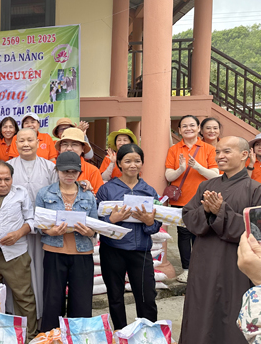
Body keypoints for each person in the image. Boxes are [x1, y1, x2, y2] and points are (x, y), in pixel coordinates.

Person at [180, 136, 261, 344]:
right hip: (204, 258)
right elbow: (188, 216)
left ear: (245, 155)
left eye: (227, 151)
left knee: (233, 312)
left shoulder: (255, 189)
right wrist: (207, 211)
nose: (220, 156)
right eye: (217, 152)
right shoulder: (206, 185)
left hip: (237, 262)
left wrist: (221, 211)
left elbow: (256, 231)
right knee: (201, 307)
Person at [96, 144, 160, 330]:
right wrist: (111, 220)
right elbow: (97, 221)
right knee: (115, 296)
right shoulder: (107, 190)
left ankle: (147, 335)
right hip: (112, 250)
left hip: (141, 250)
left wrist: (149, 222)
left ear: (142, 163)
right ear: (119, 164)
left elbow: (156, 224)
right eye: (128, 161)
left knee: (147, 296)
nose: (133, 165)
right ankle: (120, 333)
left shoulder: (149, 191)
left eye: (137, 161)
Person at [36, 151, 97, 331]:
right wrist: (50, 231)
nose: (69, 175)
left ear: (79, 172)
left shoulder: (88, 195)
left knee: (81, 301)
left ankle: (78, 340)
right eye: (65, 171)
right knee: (52, 300)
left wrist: (89, 232)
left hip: (82, 252)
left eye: (73, 172)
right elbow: (38, 224)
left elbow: (95, 225)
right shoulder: (44, 193)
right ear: (57, 171)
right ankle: (51, 339)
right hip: (54, 251)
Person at [0, 161, 37, 336]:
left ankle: (28, 337)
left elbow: (31, 220)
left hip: (16, 254)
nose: (3, 184)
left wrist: (19, 233)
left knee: (24, 297)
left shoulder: (20, 193)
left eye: (7, 179)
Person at [7, 128, 58, 321]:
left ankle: (40, 314)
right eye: (21, 141)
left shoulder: (50, 167)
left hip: (43, 232)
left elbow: (58, 194)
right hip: (16, 231)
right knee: (16, 273)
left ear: (38, 142)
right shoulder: (8, 167)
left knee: (40, 271)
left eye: (30, 140)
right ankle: (15, 315)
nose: (26, 144)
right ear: (15, 144)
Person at [165, 115, 219, 283]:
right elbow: (168, 175)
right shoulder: (174, 149)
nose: (188, 128)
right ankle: (187, 269)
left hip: (203, 200)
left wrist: (197, 167)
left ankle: (200, 269)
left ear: (198, 128)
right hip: (181, 200)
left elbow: (215, 175)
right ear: (179, 130)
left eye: (192, 125)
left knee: (201, 234)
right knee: (183, 235)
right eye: (184, 126)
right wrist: (181, 169)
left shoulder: (208, 149)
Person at [55, 128, 104, 194]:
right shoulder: (51, 167)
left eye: (74, 144)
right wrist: (77, 184)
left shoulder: (92, 171)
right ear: (60, 148)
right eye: (65, 144)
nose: (69, 148)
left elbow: (98, 196)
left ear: (83, 148)